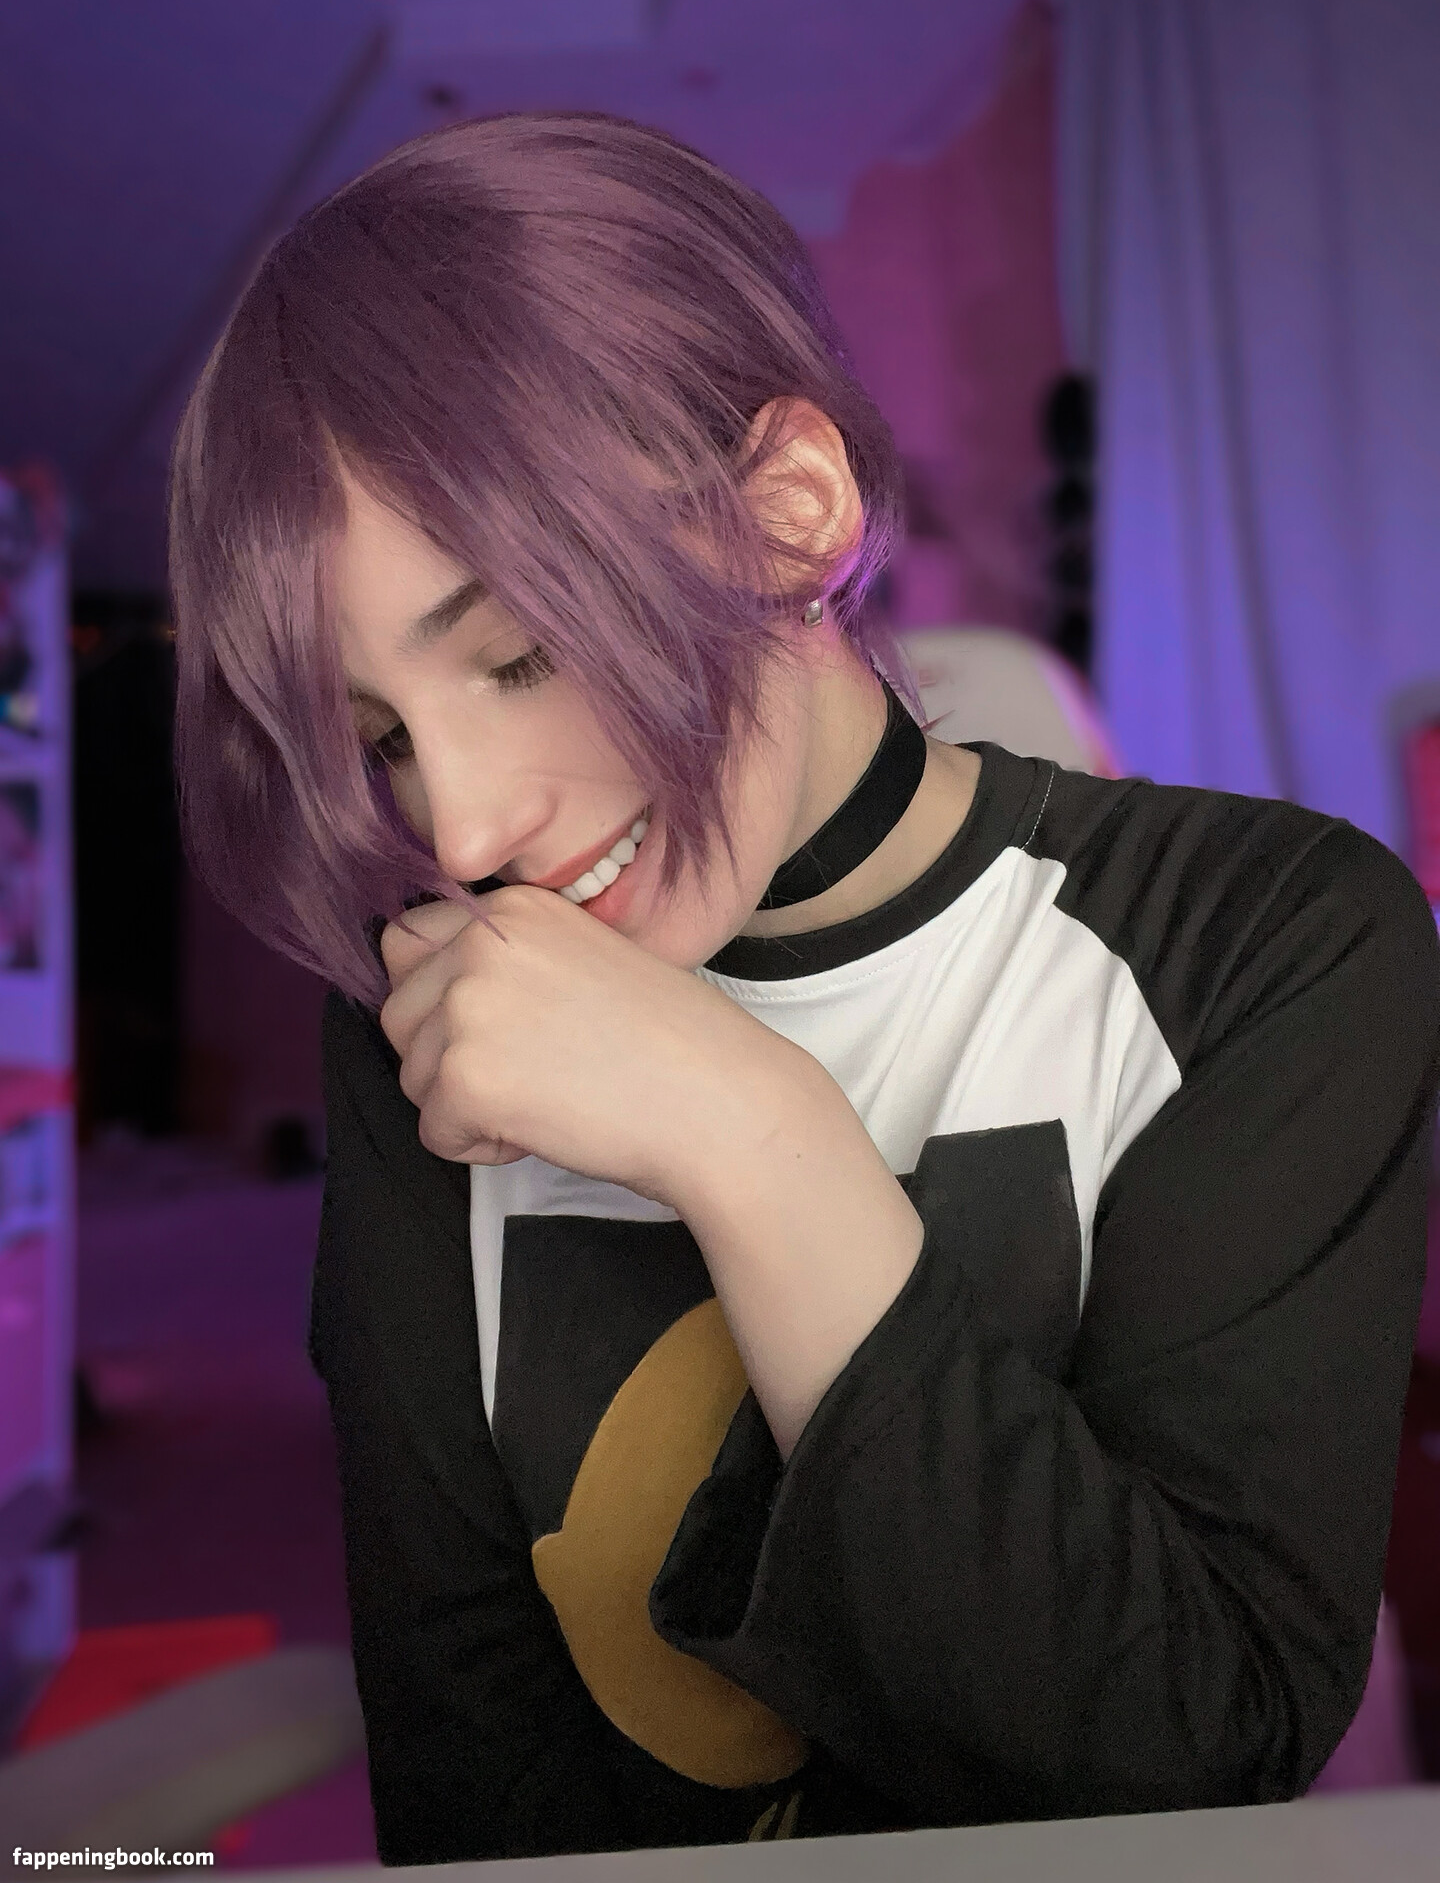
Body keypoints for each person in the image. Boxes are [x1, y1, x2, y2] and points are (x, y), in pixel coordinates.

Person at [168, 112, 1440, 1864]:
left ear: (789, 512)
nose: (459, 829)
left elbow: (1186, 1763)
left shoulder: (1271, 937)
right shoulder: (436, 1024)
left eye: (519, 656)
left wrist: (751, 1135)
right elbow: (471, 1780)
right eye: (380, 737)